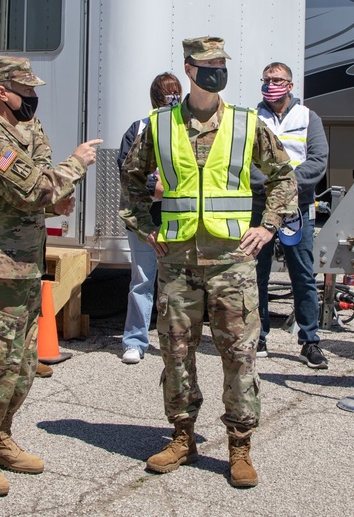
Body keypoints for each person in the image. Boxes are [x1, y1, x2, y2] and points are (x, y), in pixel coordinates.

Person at [120, 36, 296, 488]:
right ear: (189, 69)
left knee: (239, 357)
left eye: (221, 63)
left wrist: (269, 225)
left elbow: (283, 176)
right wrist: (145, 227)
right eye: (208, 63)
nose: (217, 69)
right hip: (177, 260)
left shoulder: (244, 123)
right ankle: (182, 437)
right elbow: (130, 179)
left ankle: (240, 446)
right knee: (177, 355)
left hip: (232, 262)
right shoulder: (159, 125)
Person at [0, 56, 101, 496]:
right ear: (2, 91)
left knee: (20, 366)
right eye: (26, 90)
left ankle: (1, 435)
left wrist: (50, 195)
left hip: (26, 264)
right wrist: (72, 168)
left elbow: (41, 177)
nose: (33, 99)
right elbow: (34, 185)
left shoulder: (25, 127)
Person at [249, 61, 329, 369]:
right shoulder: (252, 118)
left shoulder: (309, 117)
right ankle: (259, 336)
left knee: (303, 275)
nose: (272, 85)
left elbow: (318, 160)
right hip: (260, 206)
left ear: (291, 85)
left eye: (278, 80)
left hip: (298, 206)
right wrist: (270, 185)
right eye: (267, 79)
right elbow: (245, 162)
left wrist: (286, 184)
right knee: (258, 274)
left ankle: (309, 341)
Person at [117, 73, 183, 364]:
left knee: (177, 283)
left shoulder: (187, 128)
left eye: (175, 94)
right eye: (166, 95)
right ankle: (134, 341)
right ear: (155, 99)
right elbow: (125, 169)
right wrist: (153, 188)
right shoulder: (139, 128)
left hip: (179, 216)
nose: (171, 100)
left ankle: (176, 340)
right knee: (143, 279)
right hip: (144, 216)